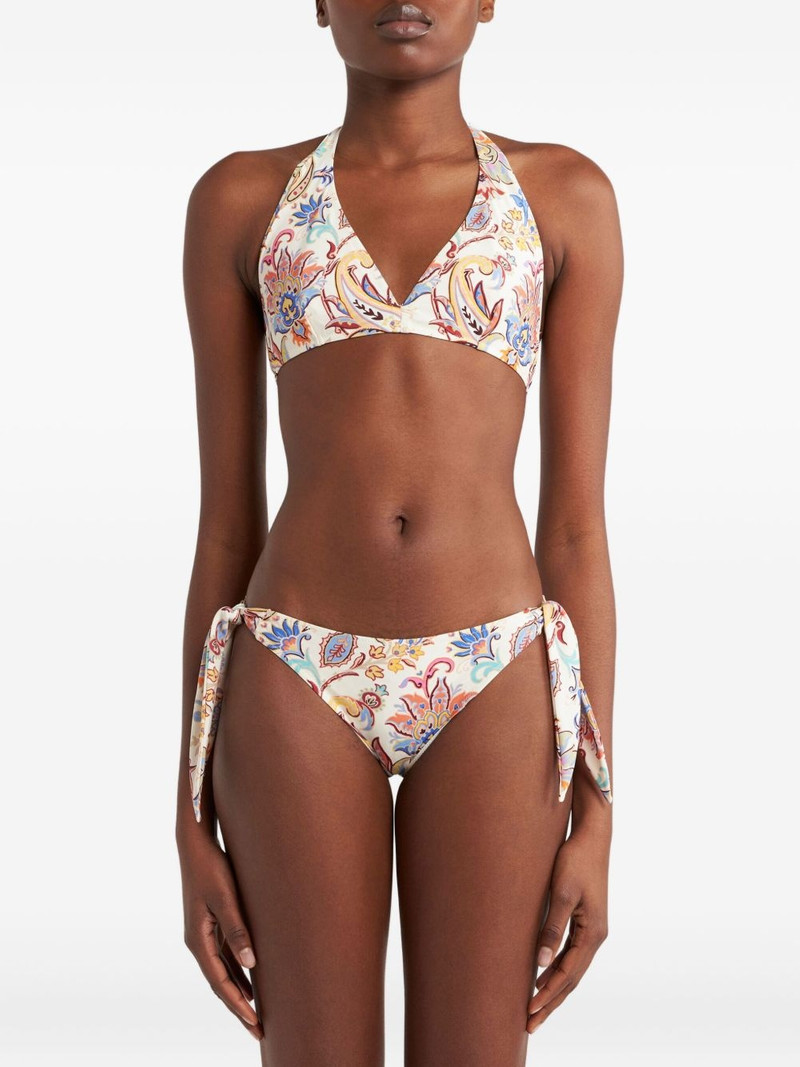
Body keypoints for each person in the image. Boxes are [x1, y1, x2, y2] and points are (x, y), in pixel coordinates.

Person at [175, 1, 623, 1063]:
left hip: (496, 669)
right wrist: (187, 810)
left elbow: (573, 526)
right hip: (293, 669)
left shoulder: (561, 198)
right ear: (318, 2)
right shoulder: (242, 201)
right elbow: (225, 522)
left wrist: (599, 810)